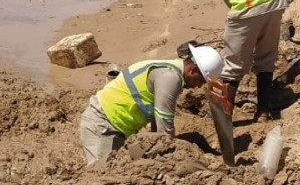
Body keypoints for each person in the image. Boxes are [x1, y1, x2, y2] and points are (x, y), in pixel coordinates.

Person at [79, 44, 224, 165]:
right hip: (101, 125)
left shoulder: (169, 69)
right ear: (192, 70)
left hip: (113, 126)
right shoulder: (170, 78)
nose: (199, 86)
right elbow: (164, 127)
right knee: (100, 176)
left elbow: (158, 125)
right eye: (201, 80)